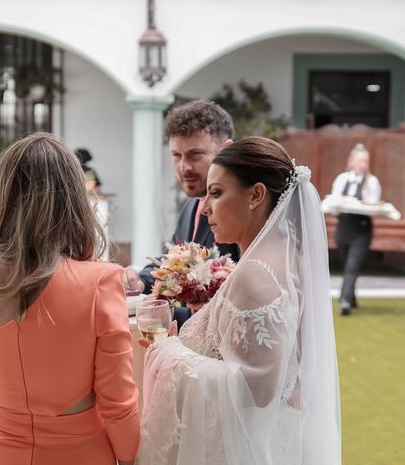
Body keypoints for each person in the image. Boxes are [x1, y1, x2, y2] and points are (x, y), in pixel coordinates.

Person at [137, 137, 341, 465]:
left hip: (245, 448)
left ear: (256, 195)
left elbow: (255, 391)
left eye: (216, 193)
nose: (204, 208)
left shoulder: (255, 274)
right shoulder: (289, 259)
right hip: (278, 438)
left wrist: (169, 350)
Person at [0, 132, 140, 465]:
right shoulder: (101, 280)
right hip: (79, 453)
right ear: (72, 196)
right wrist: (129, 457)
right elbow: (117, 401)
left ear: (5, 193)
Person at [124, 100, 240, 327]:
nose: (183, 167)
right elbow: (170, 263)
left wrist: (168, 315)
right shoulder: (189, 208)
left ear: (226, 150)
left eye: (195, 154)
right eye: (176, 155)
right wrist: (139, 280)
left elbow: (238, 310)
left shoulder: (239, 214)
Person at [331, 143, 381, 316]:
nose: (363, 165)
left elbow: (374, 206)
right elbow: (334, 204)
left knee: (352, 267)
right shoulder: (341, 179)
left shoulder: (372, 182)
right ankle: (351, 297)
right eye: (360, 161)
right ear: (351, 161)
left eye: (366, 161)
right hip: (344, 227)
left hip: (362, 229)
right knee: (346, 265)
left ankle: (344, 301)